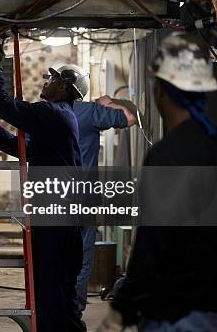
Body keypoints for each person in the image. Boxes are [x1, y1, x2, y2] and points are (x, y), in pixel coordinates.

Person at [99, 33, 217, 331]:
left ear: (161, 92)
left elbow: (152, 247)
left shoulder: (168, 155)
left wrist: (121, 311)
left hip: (178, 316)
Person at [0, 42, 86, 331]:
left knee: (50, 292)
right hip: (65, 217)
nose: (46, 82)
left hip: (56, 218)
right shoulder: (61, 118)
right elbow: (30, 150)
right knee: (60, 292)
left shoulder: (52, 113)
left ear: (65, 87)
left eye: (53, 79)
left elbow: (4, 106)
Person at [52, 64, 136, 315]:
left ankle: (53, 304)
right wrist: (110, 102)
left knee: (53, 252)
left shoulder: (44, 113)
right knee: (82, 255)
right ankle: (74, 309)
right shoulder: (90, 112)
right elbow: (131, 118)